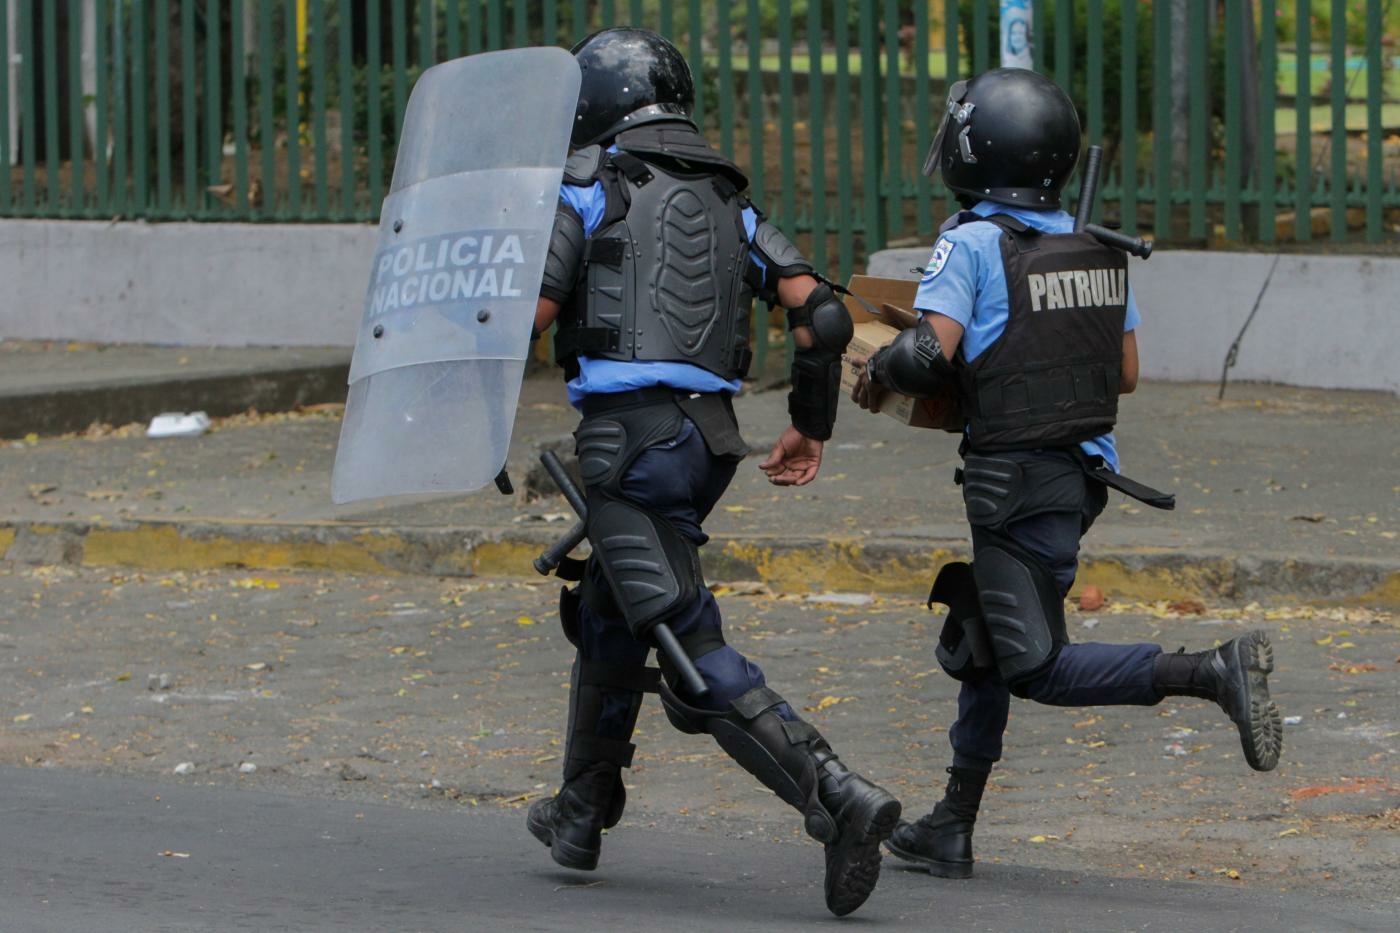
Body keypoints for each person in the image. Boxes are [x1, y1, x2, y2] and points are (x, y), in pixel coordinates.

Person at [848, 68, 1282, 880]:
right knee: (982, 634)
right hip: (1079, 477)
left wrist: (878, 366)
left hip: (1013, 481)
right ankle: (952, 823)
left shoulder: (971, 241)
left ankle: (1210, 671)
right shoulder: (1098, 247)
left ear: (974, 152)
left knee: (1034, 663)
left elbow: (931, 350)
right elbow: (1123, 373)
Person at [525, 28, 900, 917]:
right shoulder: (731, 201)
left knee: (686, 654)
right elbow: (825, 316)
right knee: (613, 612)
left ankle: (837, 795)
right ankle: (581, 811)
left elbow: (531, 311)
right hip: (706, 445)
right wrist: (810, 424)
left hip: (630, 444)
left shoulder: (587, 188)